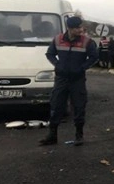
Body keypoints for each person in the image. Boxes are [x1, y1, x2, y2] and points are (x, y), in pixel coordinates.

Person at [40, 16, 98, 146]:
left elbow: (94, 57)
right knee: (56, 105)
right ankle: (52, 135)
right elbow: (49, 54)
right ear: (70, 29)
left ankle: (79, 135)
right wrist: (57, 64)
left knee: (79, 106)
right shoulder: (58, 39)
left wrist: (82, 68)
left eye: (81, 27)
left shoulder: (87, 41)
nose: (80, 30)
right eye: (77, 28)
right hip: (61, 79)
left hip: (77, 80)